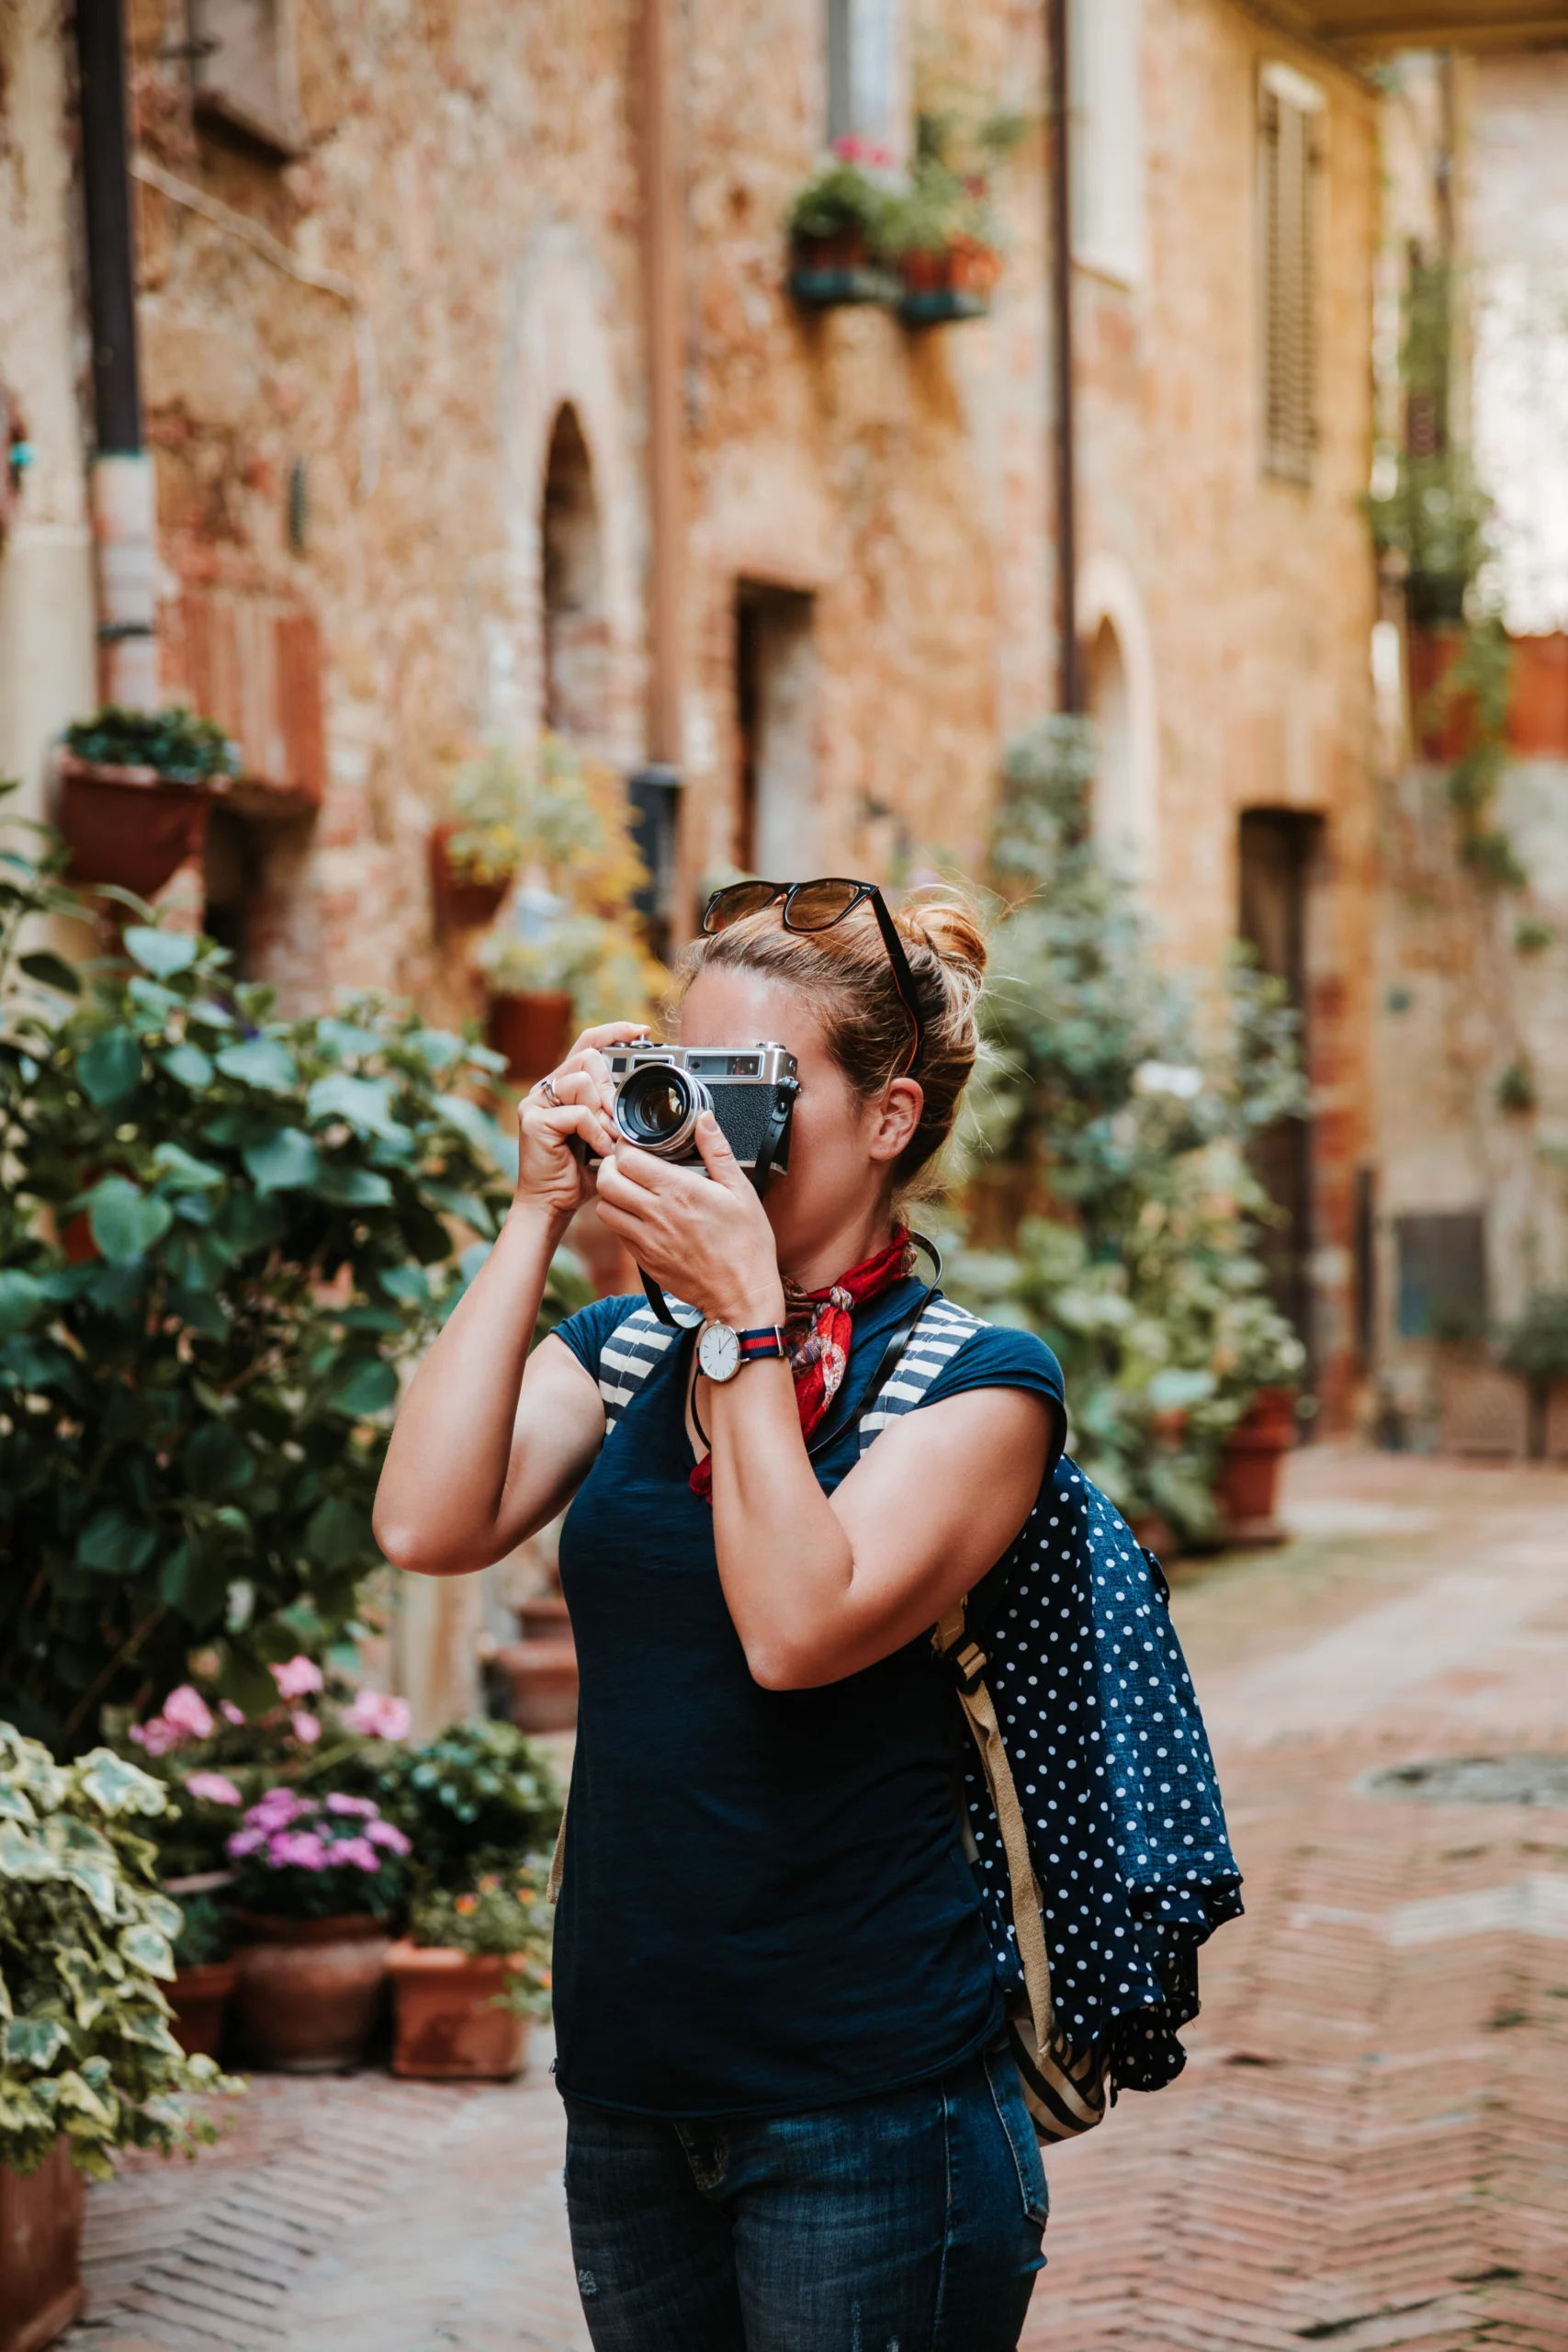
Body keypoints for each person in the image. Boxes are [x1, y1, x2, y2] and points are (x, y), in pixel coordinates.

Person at [374, 880, 1067, 2352]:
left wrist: (745, 1320)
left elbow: (793, 1629)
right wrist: (535, 1215)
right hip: (631, 2086)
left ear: (888, 1118)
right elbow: (425, 1523)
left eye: (755, 1091)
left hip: (869, 2103)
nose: (701, 1131)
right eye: (681, 1082)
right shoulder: (630, 1348)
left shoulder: (974, 1383)